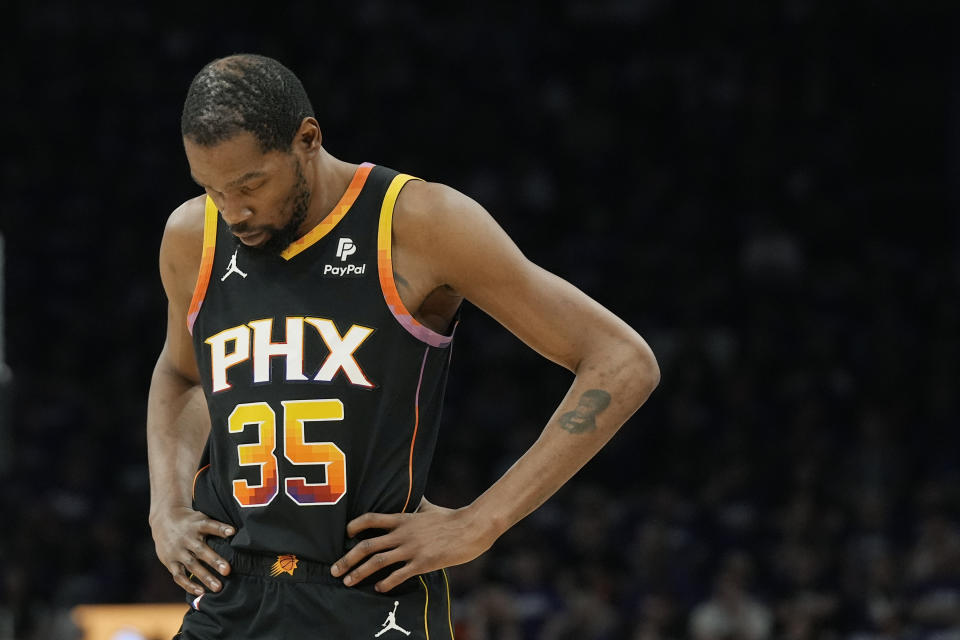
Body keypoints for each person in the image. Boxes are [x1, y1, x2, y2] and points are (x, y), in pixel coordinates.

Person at [147, 53, 660, 639]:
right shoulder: (192, 237)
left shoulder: (417, 222)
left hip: (369, 598)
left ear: (307, 139)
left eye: (250, 184)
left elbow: (620, 361)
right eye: (211, 188)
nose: (233, 211)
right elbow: (182, 374)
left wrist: (481, 522)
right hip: (230, 594)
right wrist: (166, 504)